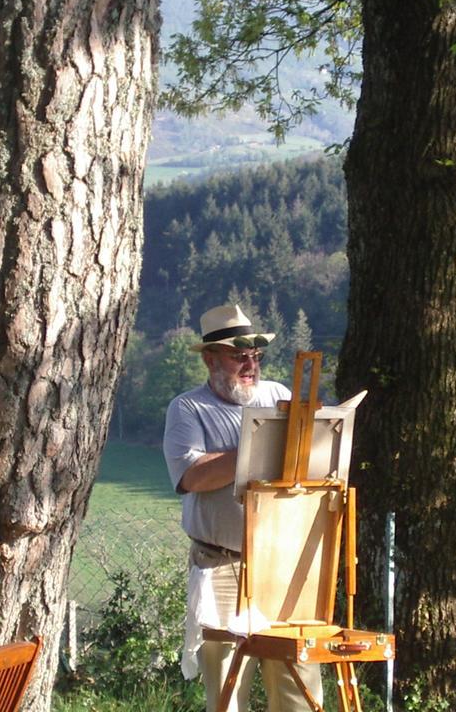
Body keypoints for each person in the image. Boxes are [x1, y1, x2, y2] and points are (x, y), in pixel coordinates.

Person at [163, 304, 323, 712]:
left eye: (255, 355)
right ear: (210, 358)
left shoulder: (279, 397)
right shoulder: (188, 408)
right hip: (221, 567)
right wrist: (256, 446)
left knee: (296, 690)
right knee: (226, 695)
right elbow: (192, 477)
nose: (250, 364)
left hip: (283, 570)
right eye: (239, 356)